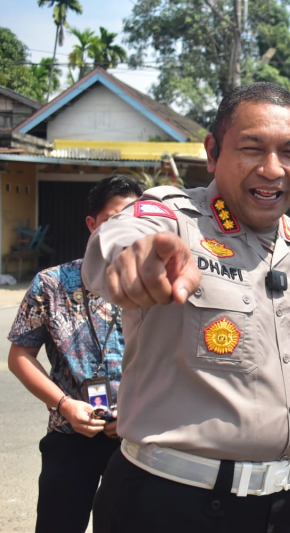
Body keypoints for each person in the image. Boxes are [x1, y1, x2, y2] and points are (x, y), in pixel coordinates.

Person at [82, 83, 290, 533]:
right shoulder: (173, 216)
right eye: (252, 148)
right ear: (213, 153)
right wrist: (134, 258)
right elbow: (118, 241)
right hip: (170, 506)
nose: (272, 169)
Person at [7, 175, 142, 533]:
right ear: (92, 225)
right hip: (69, 436)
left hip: (137, 440)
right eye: (115, 220)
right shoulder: (51, 284)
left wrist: (133, 412)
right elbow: (19, 356)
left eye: (135, 219)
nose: (125, 230)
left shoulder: (156, 288)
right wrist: (64, 404)